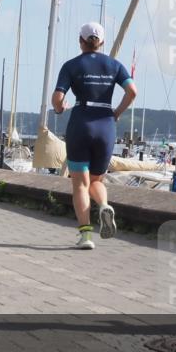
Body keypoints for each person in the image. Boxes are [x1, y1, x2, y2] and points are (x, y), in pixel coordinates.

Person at [51, 22, 137, 250]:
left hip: (81, 123)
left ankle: (86, 236)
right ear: (102, 43)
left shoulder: (71, 66)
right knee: (97, 180)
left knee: (80, 184)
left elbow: (57, 98)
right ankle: (104, 204)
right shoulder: (114, 65)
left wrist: (60, 109)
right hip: (105, 125)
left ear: (80, 40)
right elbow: (132, 91)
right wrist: (117, 112)